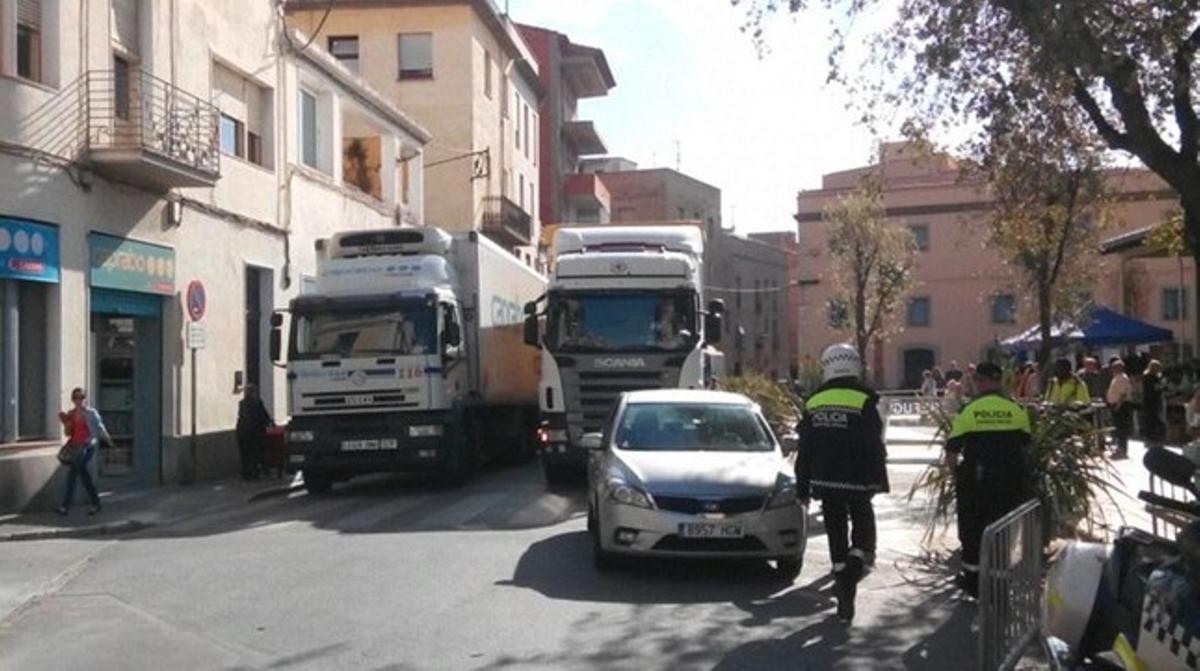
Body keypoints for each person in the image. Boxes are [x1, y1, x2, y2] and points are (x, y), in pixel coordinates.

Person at [795, 343, 889, 623]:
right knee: (863, 527)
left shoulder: (813, 402)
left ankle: (841, 575)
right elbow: (875, 444)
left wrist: (803, 488)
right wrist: (878, 478)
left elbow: (805, 450)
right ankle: (854, 567)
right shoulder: (865, 400)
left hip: (825, 479)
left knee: (835, 527)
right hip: (858, 478)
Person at [944, 362, 1032, 598]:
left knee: (973, 531)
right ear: (1000, 380)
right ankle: (1000, 585)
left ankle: (973, 583)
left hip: (976, 480)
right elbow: (1026, 446)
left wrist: (957, 476)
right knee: (1002, 532)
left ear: (980, 381)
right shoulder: (1015, 409)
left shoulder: (970, 411)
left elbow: (952, 451)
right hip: (1010, 481)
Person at [55, 387, 109, 516]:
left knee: (73, 474)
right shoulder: (71, 413)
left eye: (82, 397)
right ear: (73, 399)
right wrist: (66, 423)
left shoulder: (91, 413)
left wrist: (108, 439)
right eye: (76, 398)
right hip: (75, 446)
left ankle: (65, 506)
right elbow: (68, 433)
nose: (79, 400)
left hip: (87, 446)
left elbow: (100, 426)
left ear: (85, 399)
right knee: (83, 475)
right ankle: (95, 502)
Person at [236, 384, 273, 480]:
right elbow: (263, 415)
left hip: (242, 432)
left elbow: (241, 416)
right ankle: (254, 473)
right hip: (255, 432)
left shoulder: (242, 403)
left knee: (245, 454)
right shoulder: (257, 403)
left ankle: (246, 473)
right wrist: (270, 422)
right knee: (255, 453)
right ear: (254, 393)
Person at [1106, 358, 1134, 459]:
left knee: (1121, 428)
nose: (1112, 369)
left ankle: (1122, 449)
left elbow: (1122, 394)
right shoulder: (1117, 377)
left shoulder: (1122, 378)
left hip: (1121, 406)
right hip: (1117, 405)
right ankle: (1119, 448)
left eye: (1114, 367)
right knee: (1118, 428)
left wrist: (1118, 405)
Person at [1141, 359, 1167, 449]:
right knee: (1152, 419)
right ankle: (1152, 437)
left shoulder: (1146, 377)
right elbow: (1156, 389)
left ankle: (1150, 437)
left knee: (1151, 419)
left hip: (1149, 401)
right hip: (1152, 401)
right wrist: (1162, 386)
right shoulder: (1151, 378)